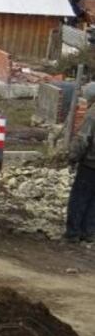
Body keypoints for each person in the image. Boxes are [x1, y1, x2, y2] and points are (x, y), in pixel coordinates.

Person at [67, 91, 95, 243]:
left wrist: (73, 157)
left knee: (80, 197)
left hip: (90, 164)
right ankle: (88, 232)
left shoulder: (92, 114)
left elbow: (83, 139)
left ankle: (73, 232)